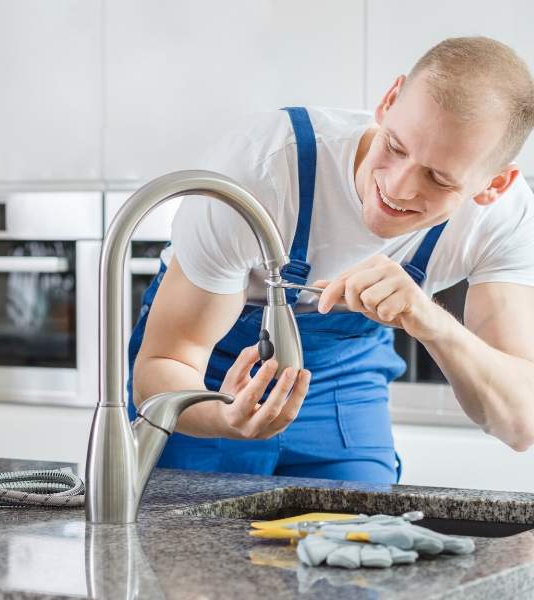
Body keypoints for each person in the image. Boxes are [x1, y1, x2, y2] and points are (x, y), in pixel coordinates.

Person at [127, 36, 534, 484]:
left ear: (494, 184)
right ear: (389, 100)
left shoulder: (501, 221)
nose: (398, 188)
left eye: (439, 178)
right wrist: (225, 418)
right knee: (177, 540)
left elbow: (520, 424)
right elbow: (161, 367)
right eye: (395, 147)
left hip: (344, 378)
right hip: (211, 377)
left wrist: (430, 321)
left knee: (361, 541)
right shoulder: (261, 169)